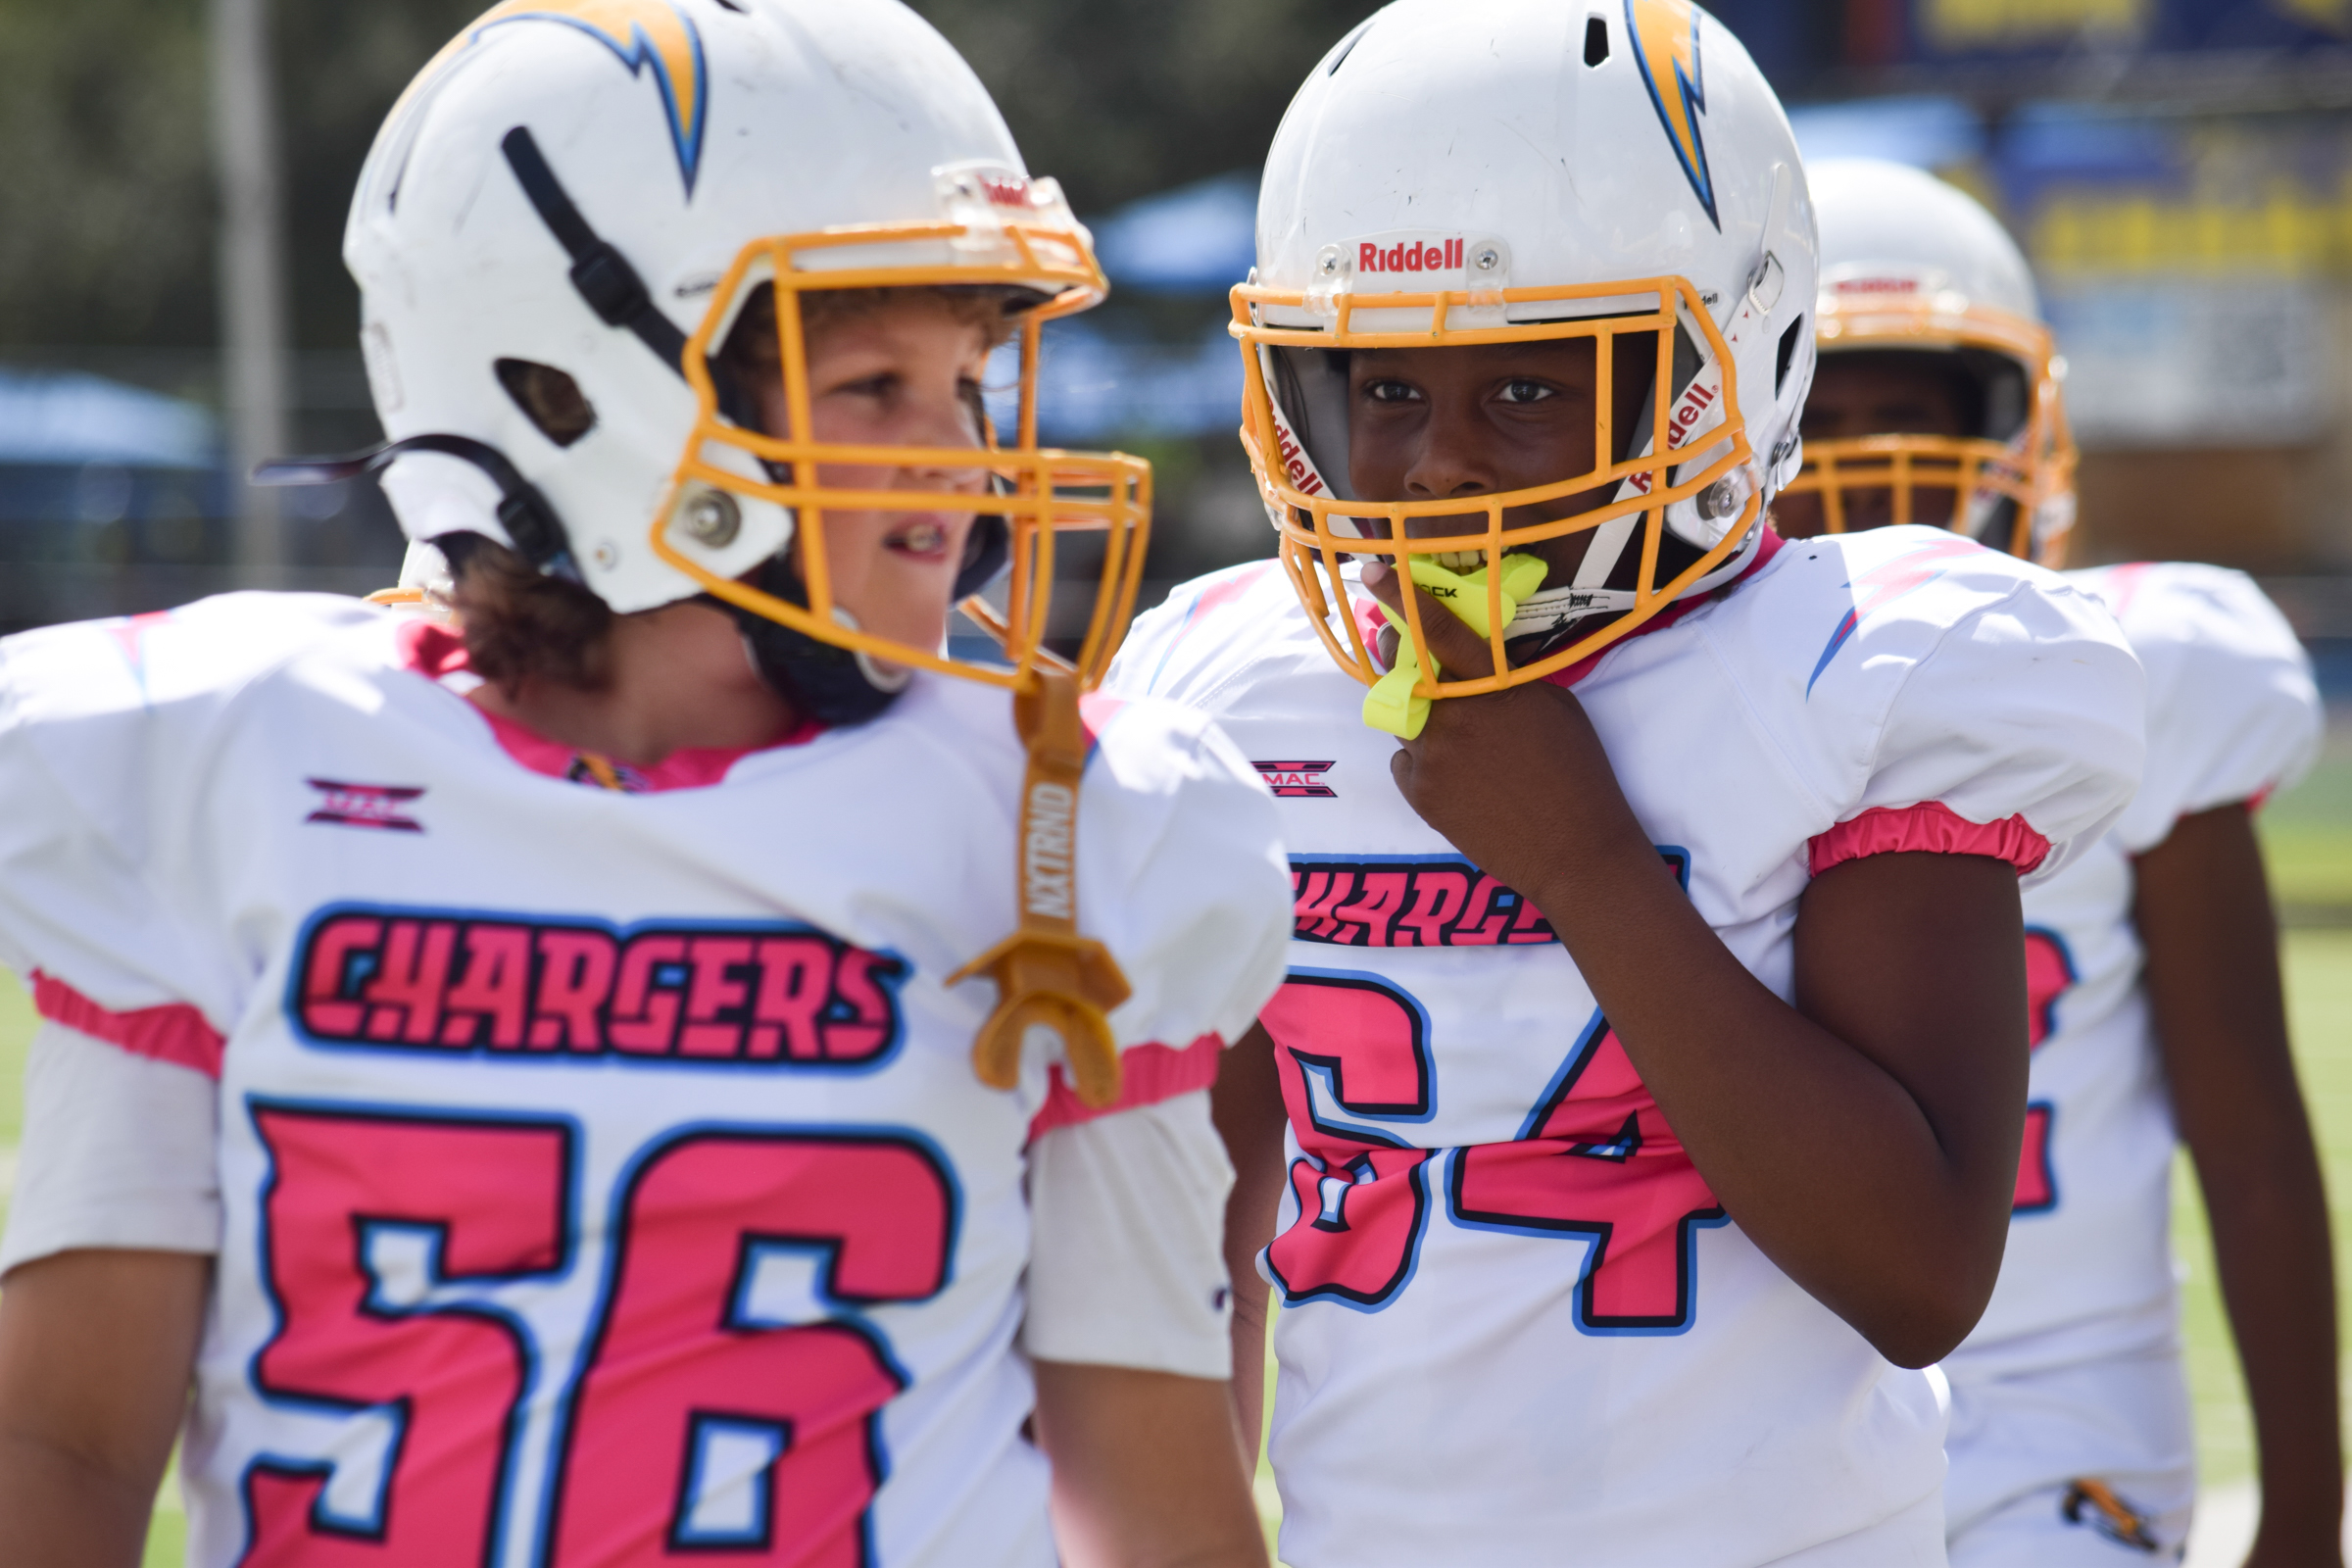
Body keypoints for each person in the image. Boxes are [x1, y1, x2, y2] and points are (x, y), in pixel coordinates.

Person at [0, 3, 1292, 1564]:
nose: (961, 458)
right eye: (874, 385)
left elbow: (1146, 1487)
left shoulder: (1067, 821)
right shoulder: (227, 765)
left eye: (969, 382)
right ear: (563, 388)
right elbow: (66, 1439)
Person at [1105, 2, 2149, 1563]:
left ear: (1730, 361)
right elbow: (1202, 1235)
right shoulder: (1239, 686)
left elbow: (1920, 1274)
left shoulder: (1847, 670)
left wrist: (1588, 866)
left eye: (1528, 388)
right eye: (1384, 391)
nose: (1437, 463)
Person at [1779, 156, 2340, 1568]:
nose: (1860, 467)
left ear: (2013, 428)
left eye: (1905, 418)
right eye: (1816, 421)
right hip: (1771, 1422)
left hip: (2058, 1424)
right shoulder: (1665, 704)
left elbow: (2251, 1137)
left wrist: (2304, 1514)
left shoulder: (2134, 672)